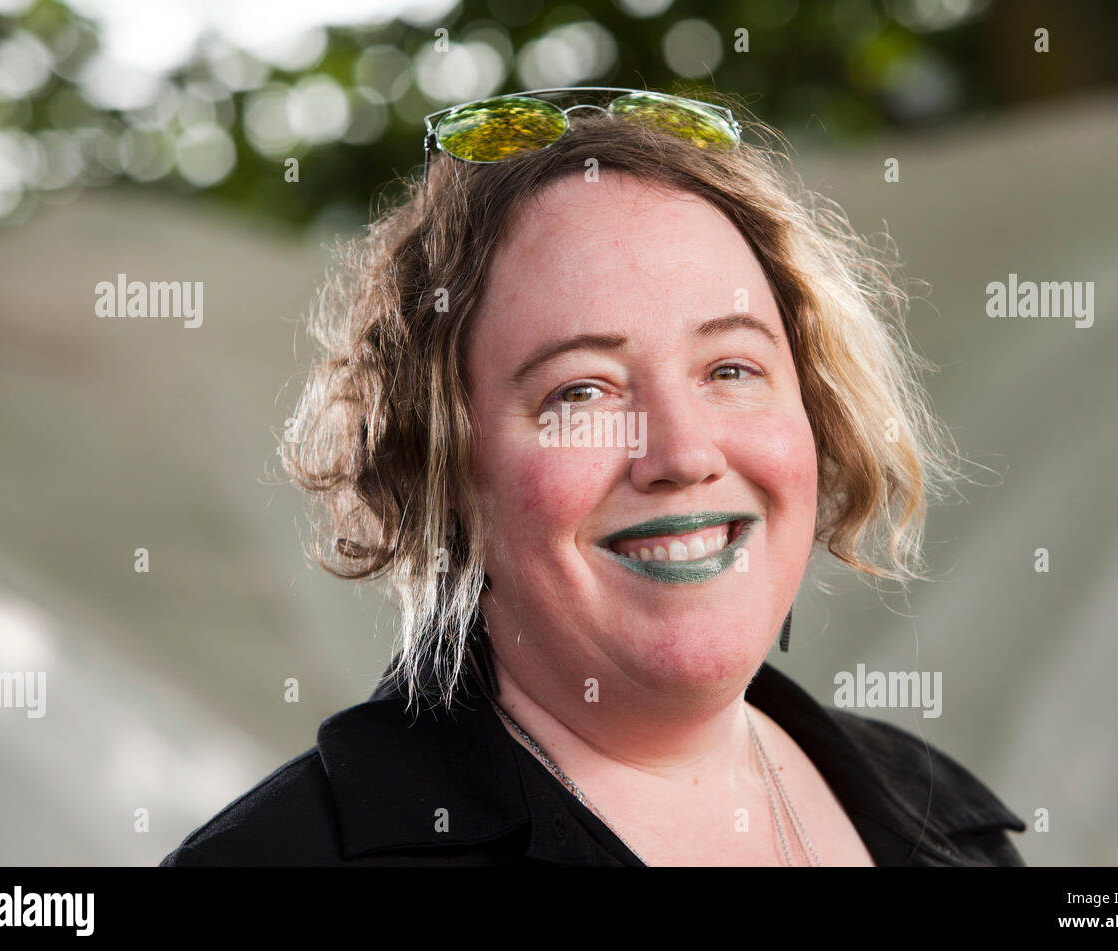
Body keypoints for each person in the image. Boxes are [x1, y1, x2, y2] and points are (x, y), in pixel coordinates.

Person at [161, 88, 1026, 867]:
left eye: (730, 369)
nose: (683, 455)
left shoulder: (943, 822)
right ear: (444, 468)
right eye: (581, 391)